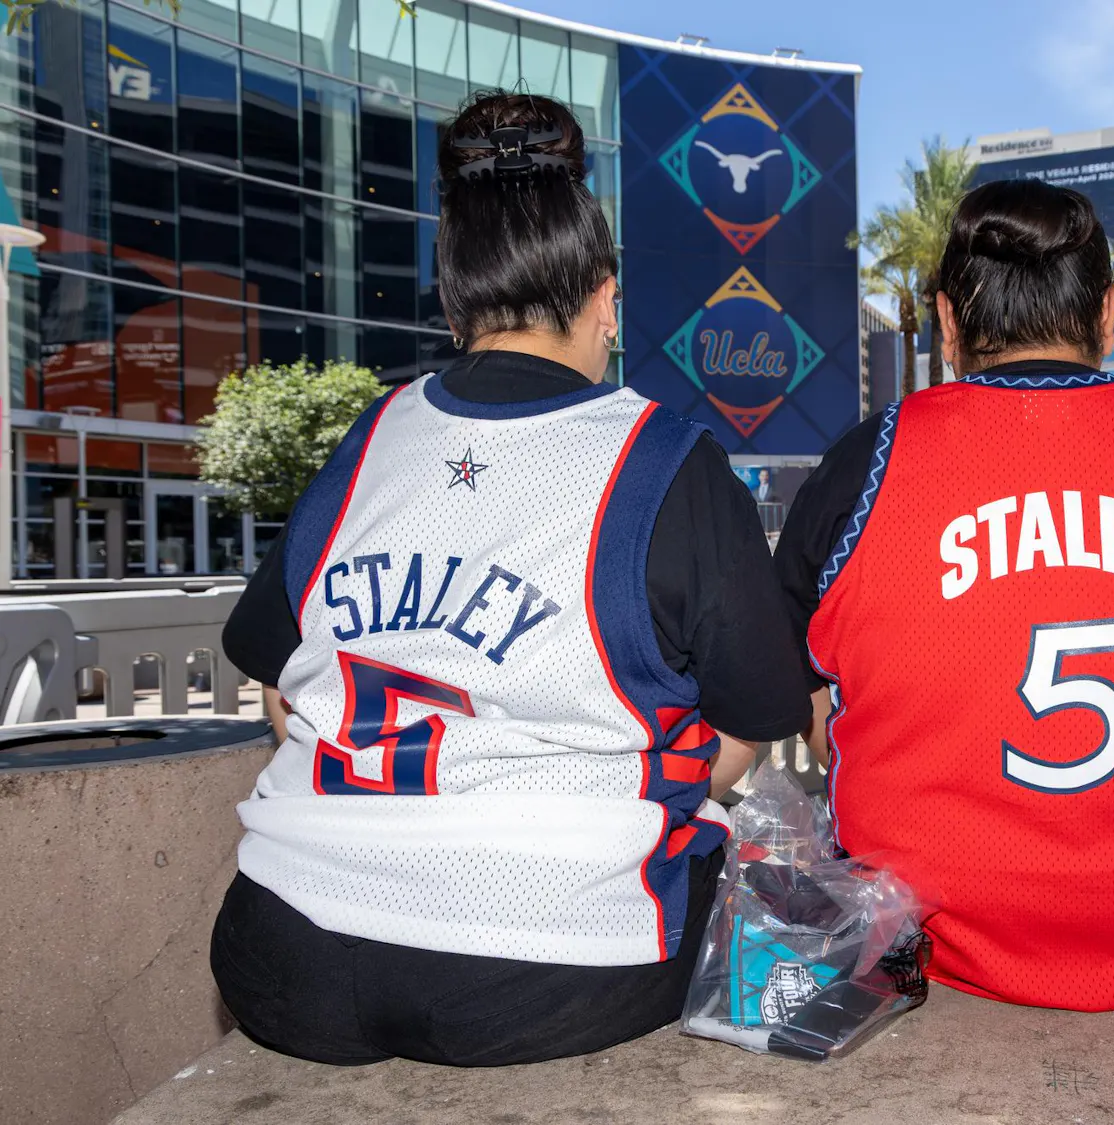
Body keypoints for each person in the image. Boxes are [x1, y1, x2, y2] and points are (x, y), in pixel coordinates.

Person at [211, 89, 811, 1068]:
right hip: (558, 972)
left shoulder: (368, 441)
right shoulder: (665, 459)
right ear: (607, 300)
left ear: (454, 303)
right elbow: (749, 725)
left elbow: (283, 692)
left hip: (289, 958)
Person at [775, 178, 1114, 1012]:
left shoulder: (874, 456)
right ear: (1107, 312)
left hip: (924, 937)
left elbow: (790, 659)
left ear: (949, 322)